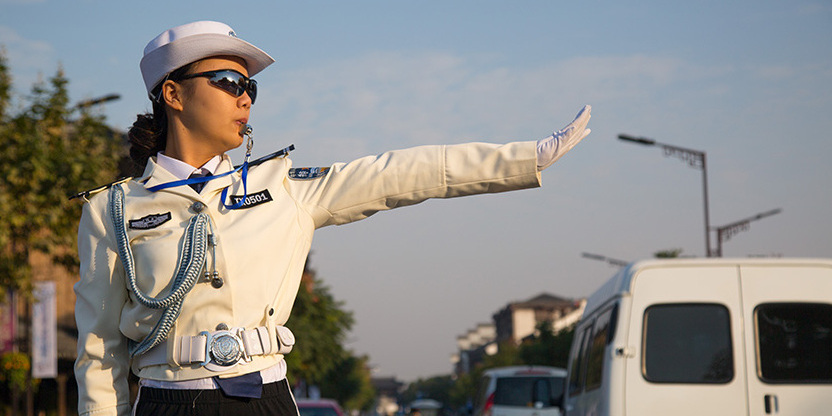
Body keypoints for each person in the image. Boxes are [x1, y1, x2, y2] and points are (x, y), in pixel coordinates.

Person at [73, 20, 591, 416]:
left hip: (264, 398)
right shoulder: (112, 209)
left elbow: (399, 173)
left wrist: (524, 158)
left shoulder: (282, 187)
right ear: (173, 93)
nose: (246, 97)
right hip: (167, 402)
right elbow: (99, 353)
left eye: (251, 87)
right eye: (229, 81)